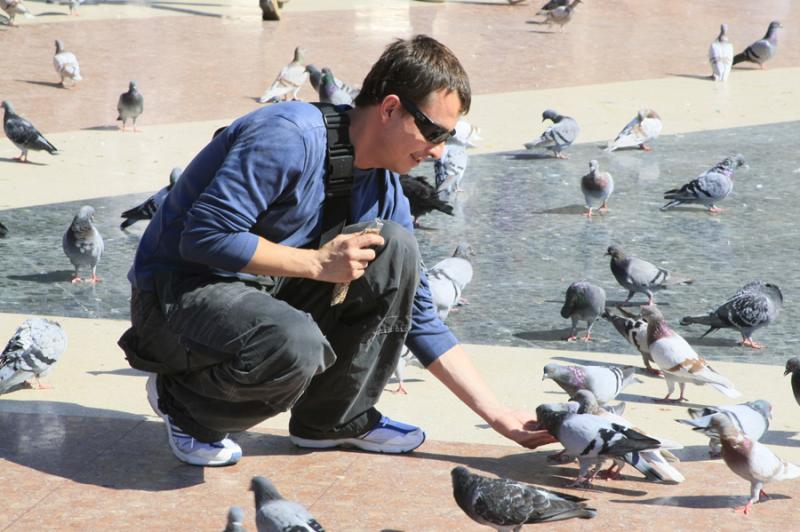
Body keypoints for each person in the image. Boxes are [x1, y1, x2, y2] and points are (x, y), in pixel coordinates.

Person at [118, 35, 555, 467]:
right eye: (433, 131)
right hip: (176, 295)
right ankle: (187, 406)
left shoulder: (383, 186)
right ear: (389, 108)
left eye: (448, 135)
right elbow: (204, 236)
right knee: (293, 344)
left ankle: (331, 421)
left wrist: (498, 415)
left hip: (260, 296)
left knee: (394, 248)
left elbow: (419, 315)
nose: (439, 149)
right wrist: (315, 263)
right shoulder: (287, 136)